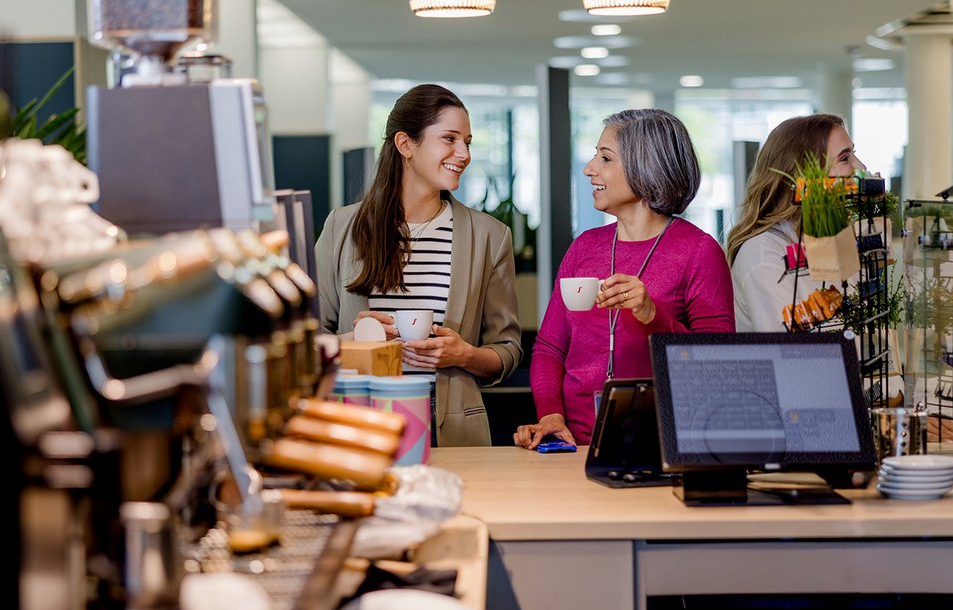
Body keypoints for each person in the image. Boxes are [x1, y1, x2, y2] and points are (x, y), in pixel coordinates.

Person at [315, 83, 522, 447]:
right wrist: (356, 341)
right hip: (361, 420)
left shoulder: (490, 236)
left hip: (452, 429)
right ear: (405, 144)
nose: (464, 154)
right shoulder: (342, 227)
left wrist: (465, 355)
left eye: (467, 142)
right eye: (449, 139)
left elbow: (507, 349)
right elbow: (306, 341)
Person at [514, 109, 735, 449]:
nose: (589, 169)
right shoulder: (584, 247)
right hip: (575, 448)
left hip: (661, 447)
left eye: (605, 158)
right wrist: (550, 416)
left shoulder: (698, 251)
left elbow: (719, 363)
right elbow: (549, 348)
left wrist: (652, 315)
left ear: (645, 166)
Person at [726, 114, 866, 332]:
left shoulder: (833, 237)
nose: (862, 167)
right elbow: (794, 349)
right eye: (845, 158)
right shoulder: (762, 254)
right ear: (803, 174)